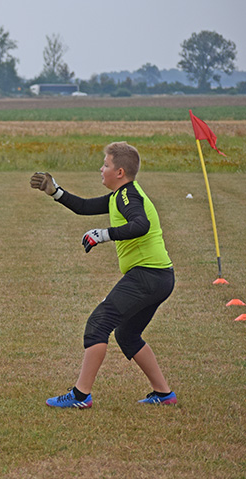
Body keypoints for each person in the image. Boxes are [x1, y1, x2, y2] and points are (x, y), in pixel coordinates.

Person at [30, 141, 176, 408]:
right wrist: (55, 191)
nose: (101, 168)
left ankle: (80, 396)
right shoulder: (120, 196)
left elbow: (140, 225)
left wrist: (103, 234)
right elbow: (84, 207)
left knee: (99, 323)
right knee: (127, 334)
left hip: (148, 275)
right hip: (160, 277)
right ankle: (164, 394)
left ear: (119, 172)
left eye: (106, 164)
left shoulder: (126, 196)